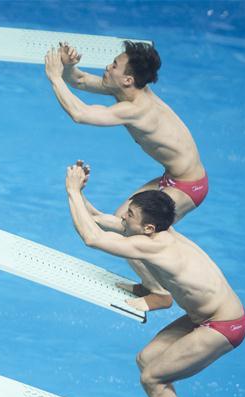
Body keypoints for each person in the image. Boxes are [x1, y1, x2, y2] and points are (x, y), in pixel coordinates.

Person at [64, 161, 245, 397]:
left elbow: (92, 238)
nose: (124, 216)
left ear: (148, 228)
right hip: (203, 316)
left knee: (153, 378)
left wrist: (69, 190)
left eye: (130, 215)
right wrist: (80, 195)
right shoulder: (159, 229)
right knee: (146, 361)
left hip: (223, 325)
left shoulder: (157, 248)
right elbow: (102, 220)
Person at [45, 40, 208, 313]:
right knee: (124, 219)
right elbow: (82, 81)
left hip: (187, 186)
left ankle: (159, 293)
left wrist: (53, 75)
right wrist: (69, 65)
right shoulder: (125, 91)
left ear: (128, 79)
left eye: (114, 66)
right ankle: (151, 283)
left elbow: (80, 113)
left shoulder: (137, 109)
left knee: (129, 227)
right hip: (172, 176)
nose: (107, 68)